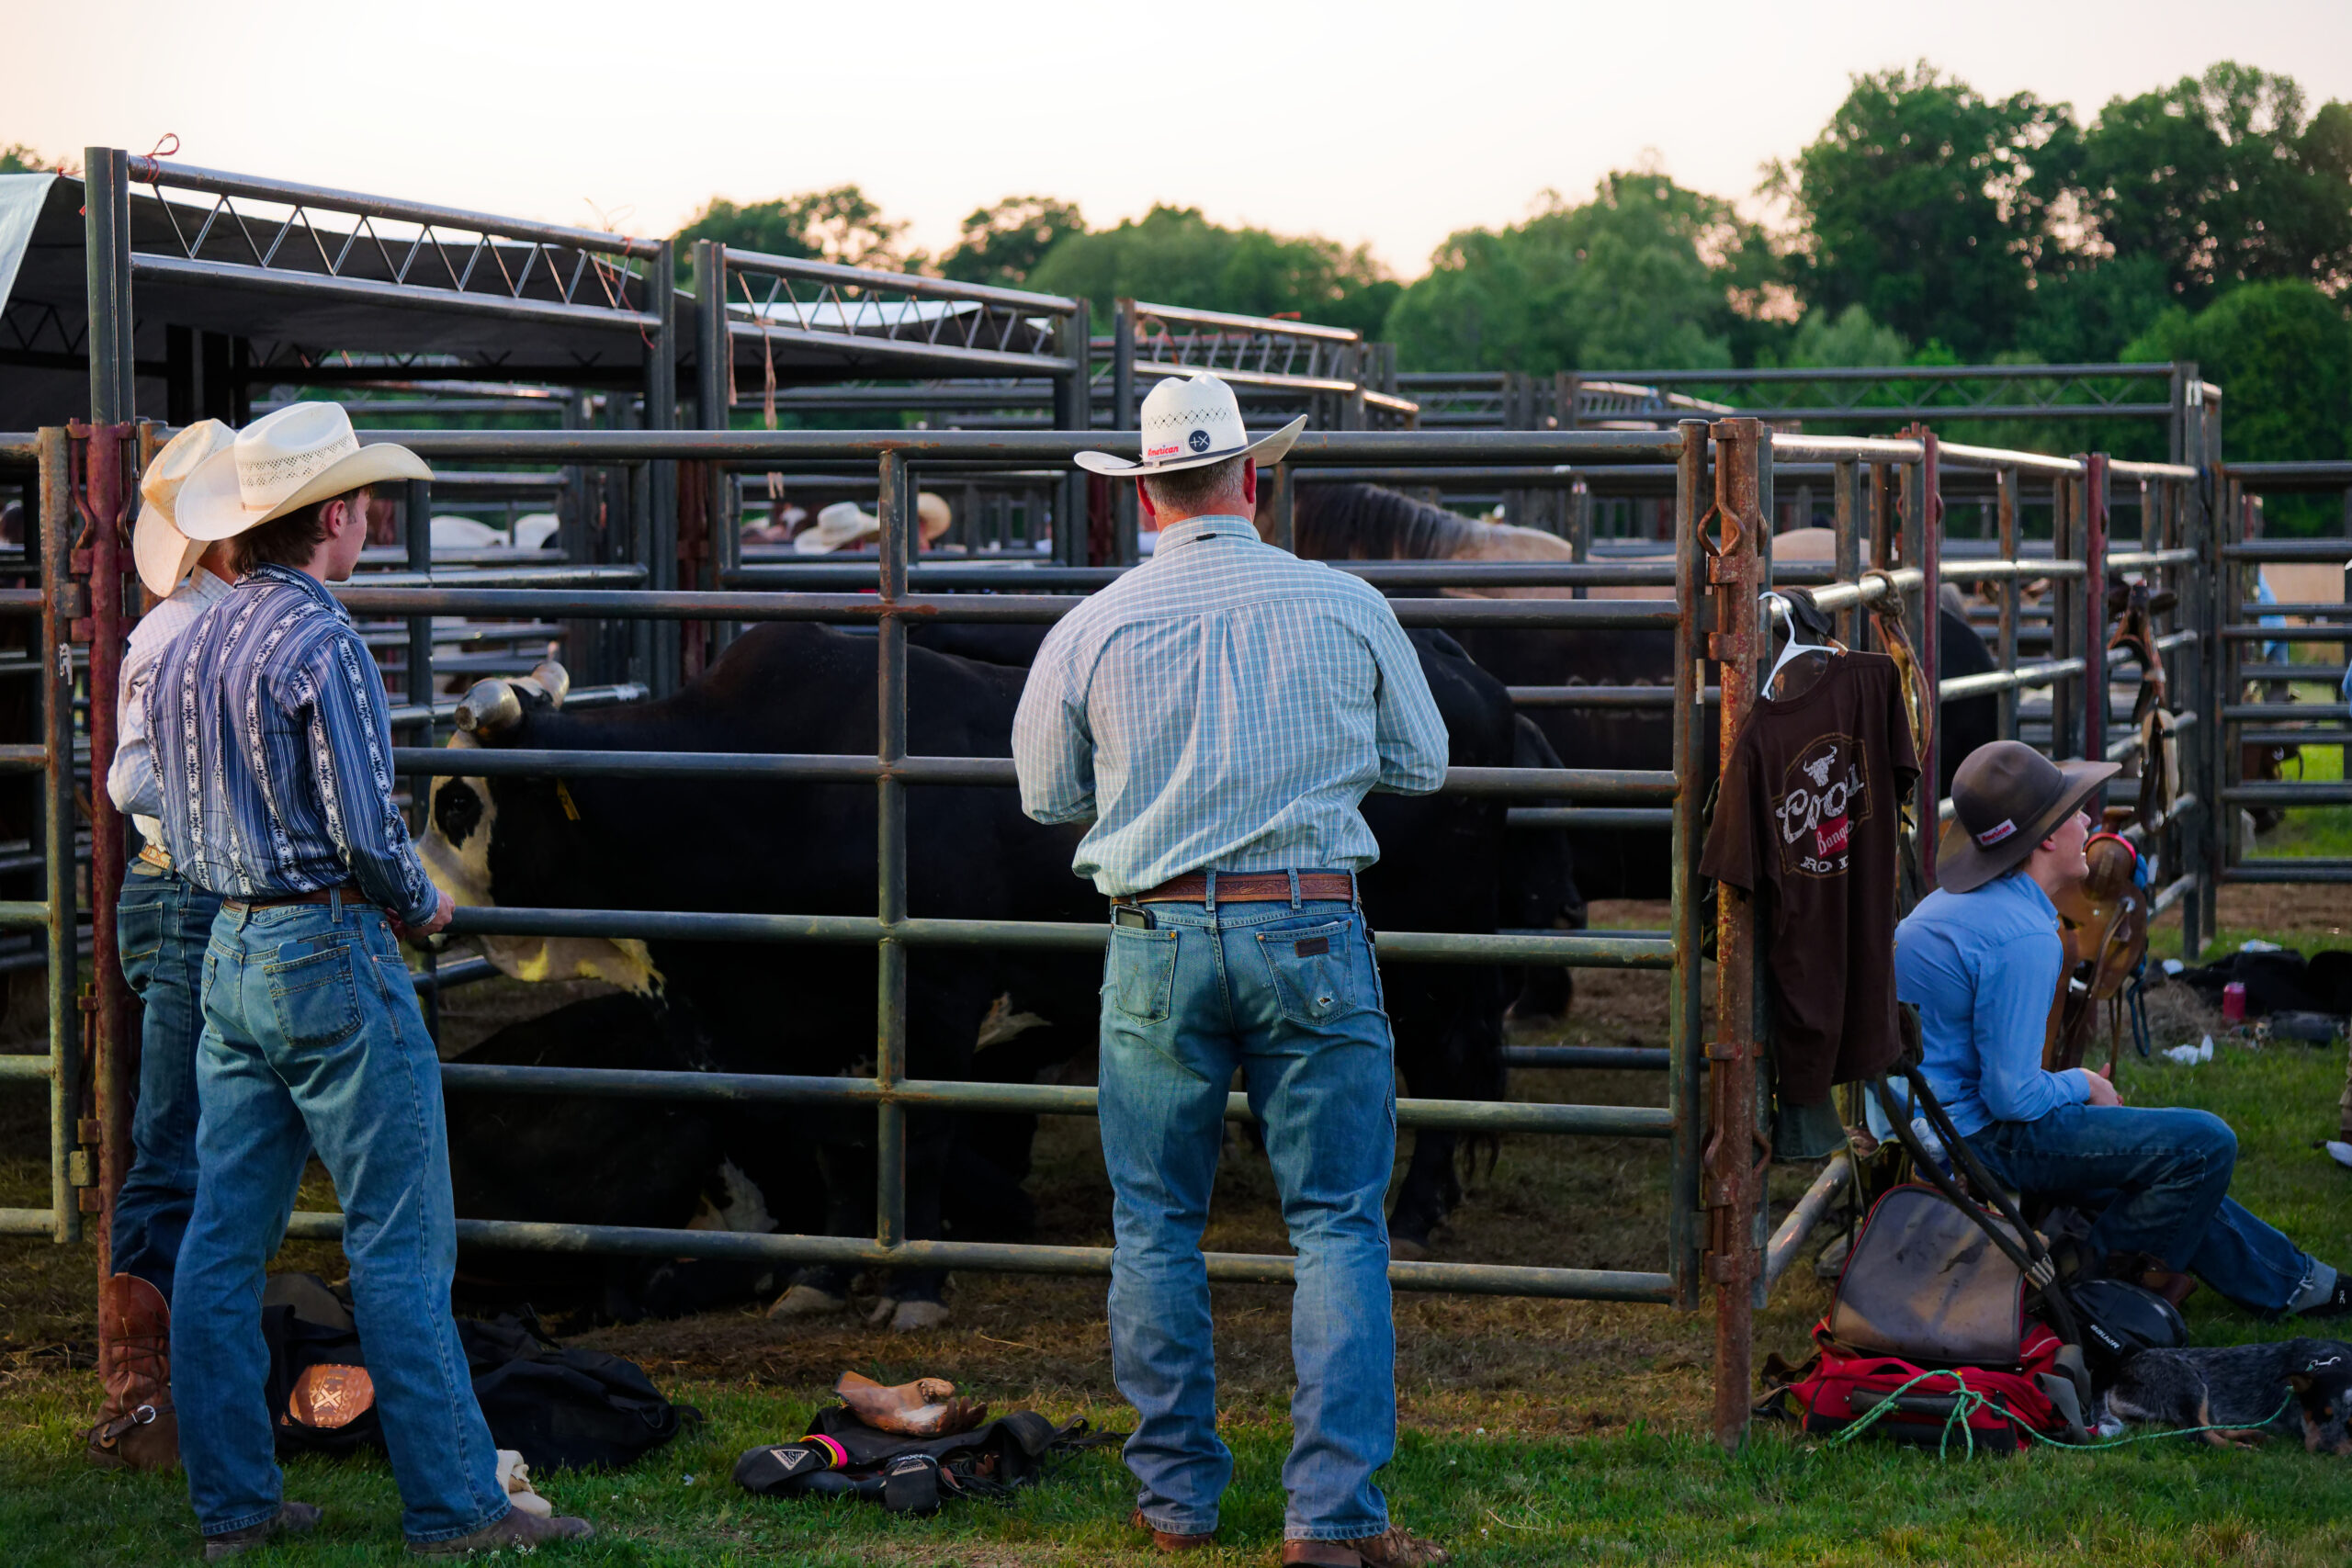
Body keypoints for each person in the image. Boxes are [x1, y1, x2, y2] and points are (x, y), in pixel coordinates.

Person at [1013, 374, 1452, 1568]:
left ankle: (1174, 1501)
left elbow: (1046, 794)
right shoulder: (1343, 601)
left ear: (1146, 492)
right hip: (1310, 926)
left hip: (1155, 937)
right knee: (1336, 1225)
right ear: (1252, 476)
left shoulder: (1089, 626)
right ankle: (1332, 1512)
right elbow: (1422, 761)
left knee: (1155, 1222)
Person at [150, 401, 594, 1559]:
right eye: (365, 501)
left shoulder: (189, 634)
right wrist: (421, 901)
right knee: (398, 1240)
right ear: (335, 516)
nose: (372, 517)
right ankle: (456, 1506)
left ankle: (234, 1506)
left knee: (221, 1241)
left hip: (230, 947)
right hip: (331, 949)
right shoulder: (324, 641)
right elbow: (360, 823)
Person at [1896, 739, 2351, 1319]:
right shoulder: (2023, 936)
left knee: (2154, 1158)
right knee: (2204, 1145)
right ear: (2044, 838)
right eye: (2073, 812)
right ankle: (2096, 1280)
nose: (2088, 820)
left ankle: (2301, 1281)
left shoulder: (1956, 907)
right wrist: (2082, 1084)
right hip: (1975, 1140)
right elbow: (2009, 1096)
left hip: (1934, 1124)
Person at [85, 420, 243, 1472]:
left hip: (195, 891)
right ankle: (142, 1401)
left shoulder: (212, 618)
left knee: (197, 1135)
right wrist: (231, 823)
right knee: (176, 1138)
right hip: (187, 890)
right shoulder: (177, 631)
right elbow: (129, 780)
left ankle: (182, 1385)